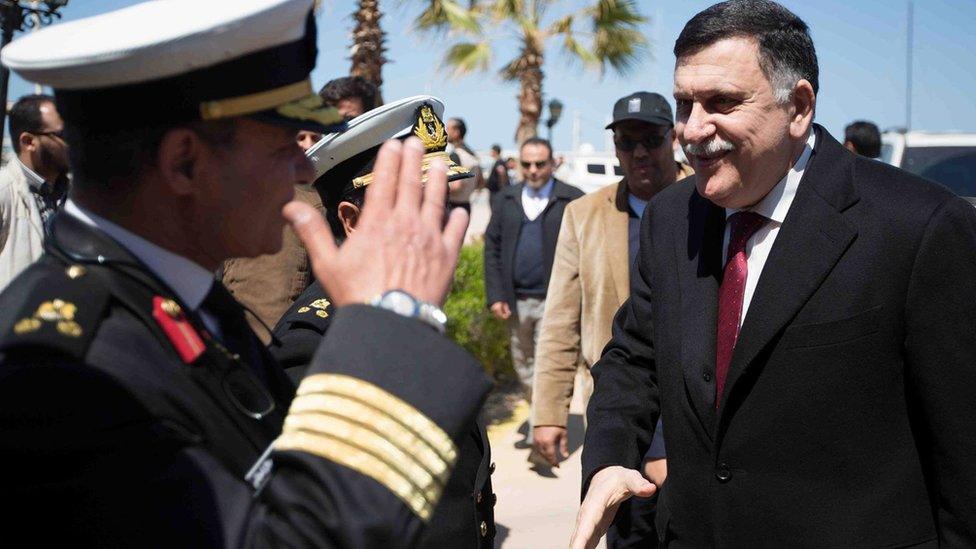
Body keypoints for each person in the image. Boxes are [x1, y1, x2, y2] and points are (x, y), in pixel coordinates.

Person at [0, 1, 491, 546]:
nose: (305, 169)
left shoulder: (183, 300)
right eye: (285, 145)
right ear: (185, 162)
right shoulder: (67, 376)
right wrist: (397, 323)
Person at [572, 1, 976, 547]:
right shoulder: (671, 219)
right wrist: (610, 457)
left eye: (721, 103)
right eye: (685, 103)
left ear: (799, 106)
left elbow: (963, 454)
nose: (692, 130)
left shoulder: (916, 226)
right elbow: (633, 357)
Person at [271, 96, 496, 548]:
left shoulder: (411, 313)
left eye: (443, 202)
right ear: (351, 220)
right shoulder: (312, 343)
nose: (439, 223)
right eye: (416, 205)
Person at [532, 91, 688, 547]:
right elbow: (561, 318)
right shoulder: (583, 215)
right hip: (620, 413)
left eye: (651, 139)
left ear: (673, 138)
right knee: (628, 534)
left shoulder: (710, 199)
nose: (639, 152)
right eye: (626, 141)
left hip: (694, 413)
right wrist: (548, 412)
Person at [223, 75, 379, 338]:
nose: (335, 134)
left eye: (348, 122)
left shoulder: (342, 199)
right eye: (328, 124)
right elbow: (267, 330)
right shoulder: (292, 208)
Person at [484, 137, 584, 407]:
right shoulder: (506, 199)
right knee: (524, 363)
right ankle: (540, 415)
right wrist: (496, 295)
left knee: (548, 363)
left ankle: (545, 426)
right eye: (527, 164)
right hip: (516, 302)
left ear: (552, 163)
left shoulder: (572, 199)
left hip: (557, 301)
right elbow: (492, 248)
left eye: (540, 164)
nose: (533, 170)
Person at [0, 94, 69, 290]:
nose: (73, 143)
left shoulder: (75, 197)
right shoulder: (4, 191)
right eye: (63, 135)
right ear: (29, 141)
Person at [446, 117, 483, 212]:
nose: (445, 132)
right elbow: (481, 183)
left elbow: (456, 185)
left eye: (447, 129)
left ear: (456, 132)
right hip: (466, 205)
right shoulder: (474, 156)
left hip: (452, 206)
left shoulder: (455, 155)